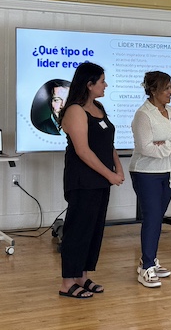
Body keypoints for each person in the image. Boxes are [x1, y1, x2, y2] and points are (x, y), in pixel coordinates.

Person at [58, 62, 124, 299]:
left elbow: (107, 143)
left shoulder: (98, 107)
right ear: (89, 84)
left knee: (94, 230)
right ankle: (67, 282)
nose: (106, 85)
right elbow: (83, 151)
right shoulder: (75, 110)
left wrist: (118, 166)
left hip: (101, 180)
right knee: (77, 230)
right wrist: (110, 174)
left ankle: (81, 276)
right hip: (83, 180)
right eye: (102, 81)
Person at [130, 71, 171, 288]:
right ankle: (146, 267)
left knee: (157, 218)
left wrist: (166, 145)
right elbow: (145, 149)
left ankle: (150, 259)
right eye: (166, 88)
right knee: (152, 218)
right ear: (153, 90)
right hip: (147, 174)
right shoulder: (143, 115)